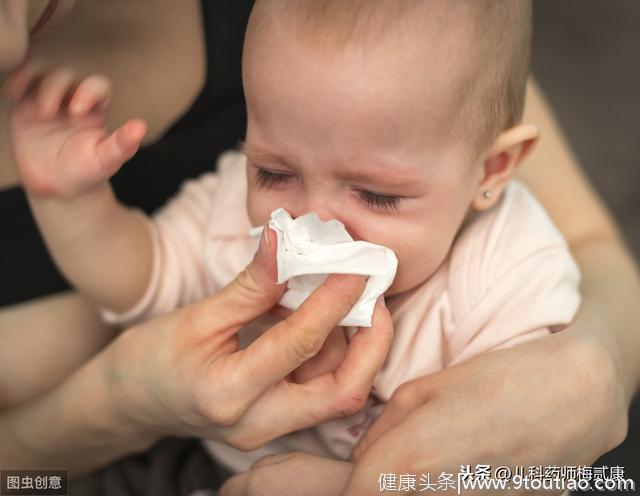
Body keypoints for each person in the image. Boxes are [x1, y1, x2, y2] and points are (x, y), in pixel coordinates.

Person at [2, 2, 639, 496]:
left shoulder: (506, 270)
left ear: (491, 170)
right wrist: (72, 203)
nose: (310, 220)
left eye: (376, 196)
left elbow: (524, 462)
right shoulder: (233, 210)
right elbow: (139, 277)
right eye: (274, 174)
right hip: (208, 458)